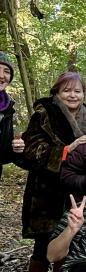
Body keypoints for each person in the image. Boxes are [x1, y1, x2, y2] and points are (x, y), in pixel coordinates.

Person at [20, 71, 86, 272]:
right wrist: (65, 150)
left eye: (77, 91)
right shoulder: (43, 115)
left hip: (77, 190)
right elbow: (31, 150)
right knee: (44, 243)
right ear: (56, 93)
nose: (72, 95)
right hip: (47, 192)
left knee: (70, 242)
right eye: (66, 90)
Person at [0, 52, 26, 180]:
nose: (1, 76)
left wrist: (15, 148)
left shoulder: (6, 109)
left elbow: (3, 156)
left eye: (6, 71)